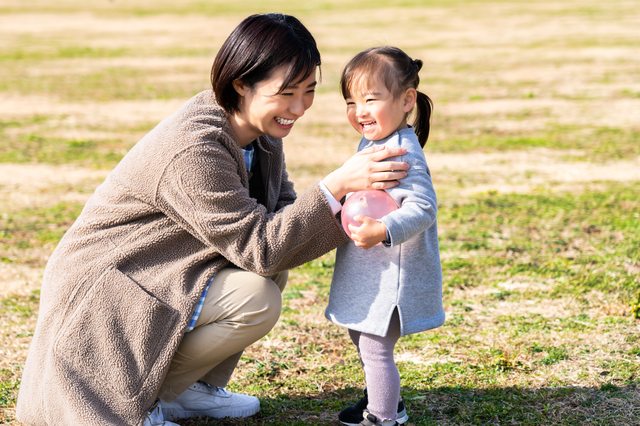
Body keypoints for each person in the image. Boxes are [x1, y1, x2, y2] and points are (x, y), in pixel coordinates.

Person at [15, 15, 411, 426]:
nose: (299, 108)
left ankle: (185, 390)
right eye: (286, 93)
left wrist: (352, 205)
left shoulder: (260, 133)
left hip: (161, 268)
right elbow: (262, 247)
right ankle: (148, 398)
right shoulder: (195, 148)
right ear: (242, 84)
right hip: (114, 285)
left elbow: (283, 210)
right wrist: (336, 186)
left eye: (309, 91)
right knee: (257, 295)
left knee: (269, 276)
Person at [324, 46, 445, 426]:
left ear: (407, 100)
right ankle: (383, 398)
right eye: (350, 101)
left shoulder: (403, 151)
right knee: (361, 335)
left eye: (371, 99)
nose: (359, 111)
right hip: (370, 270)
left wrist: (384, 229)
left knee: (375, 347)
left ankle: (382, 417)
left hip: (391, 274)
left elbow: (423, 208)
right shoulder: (375, 142)